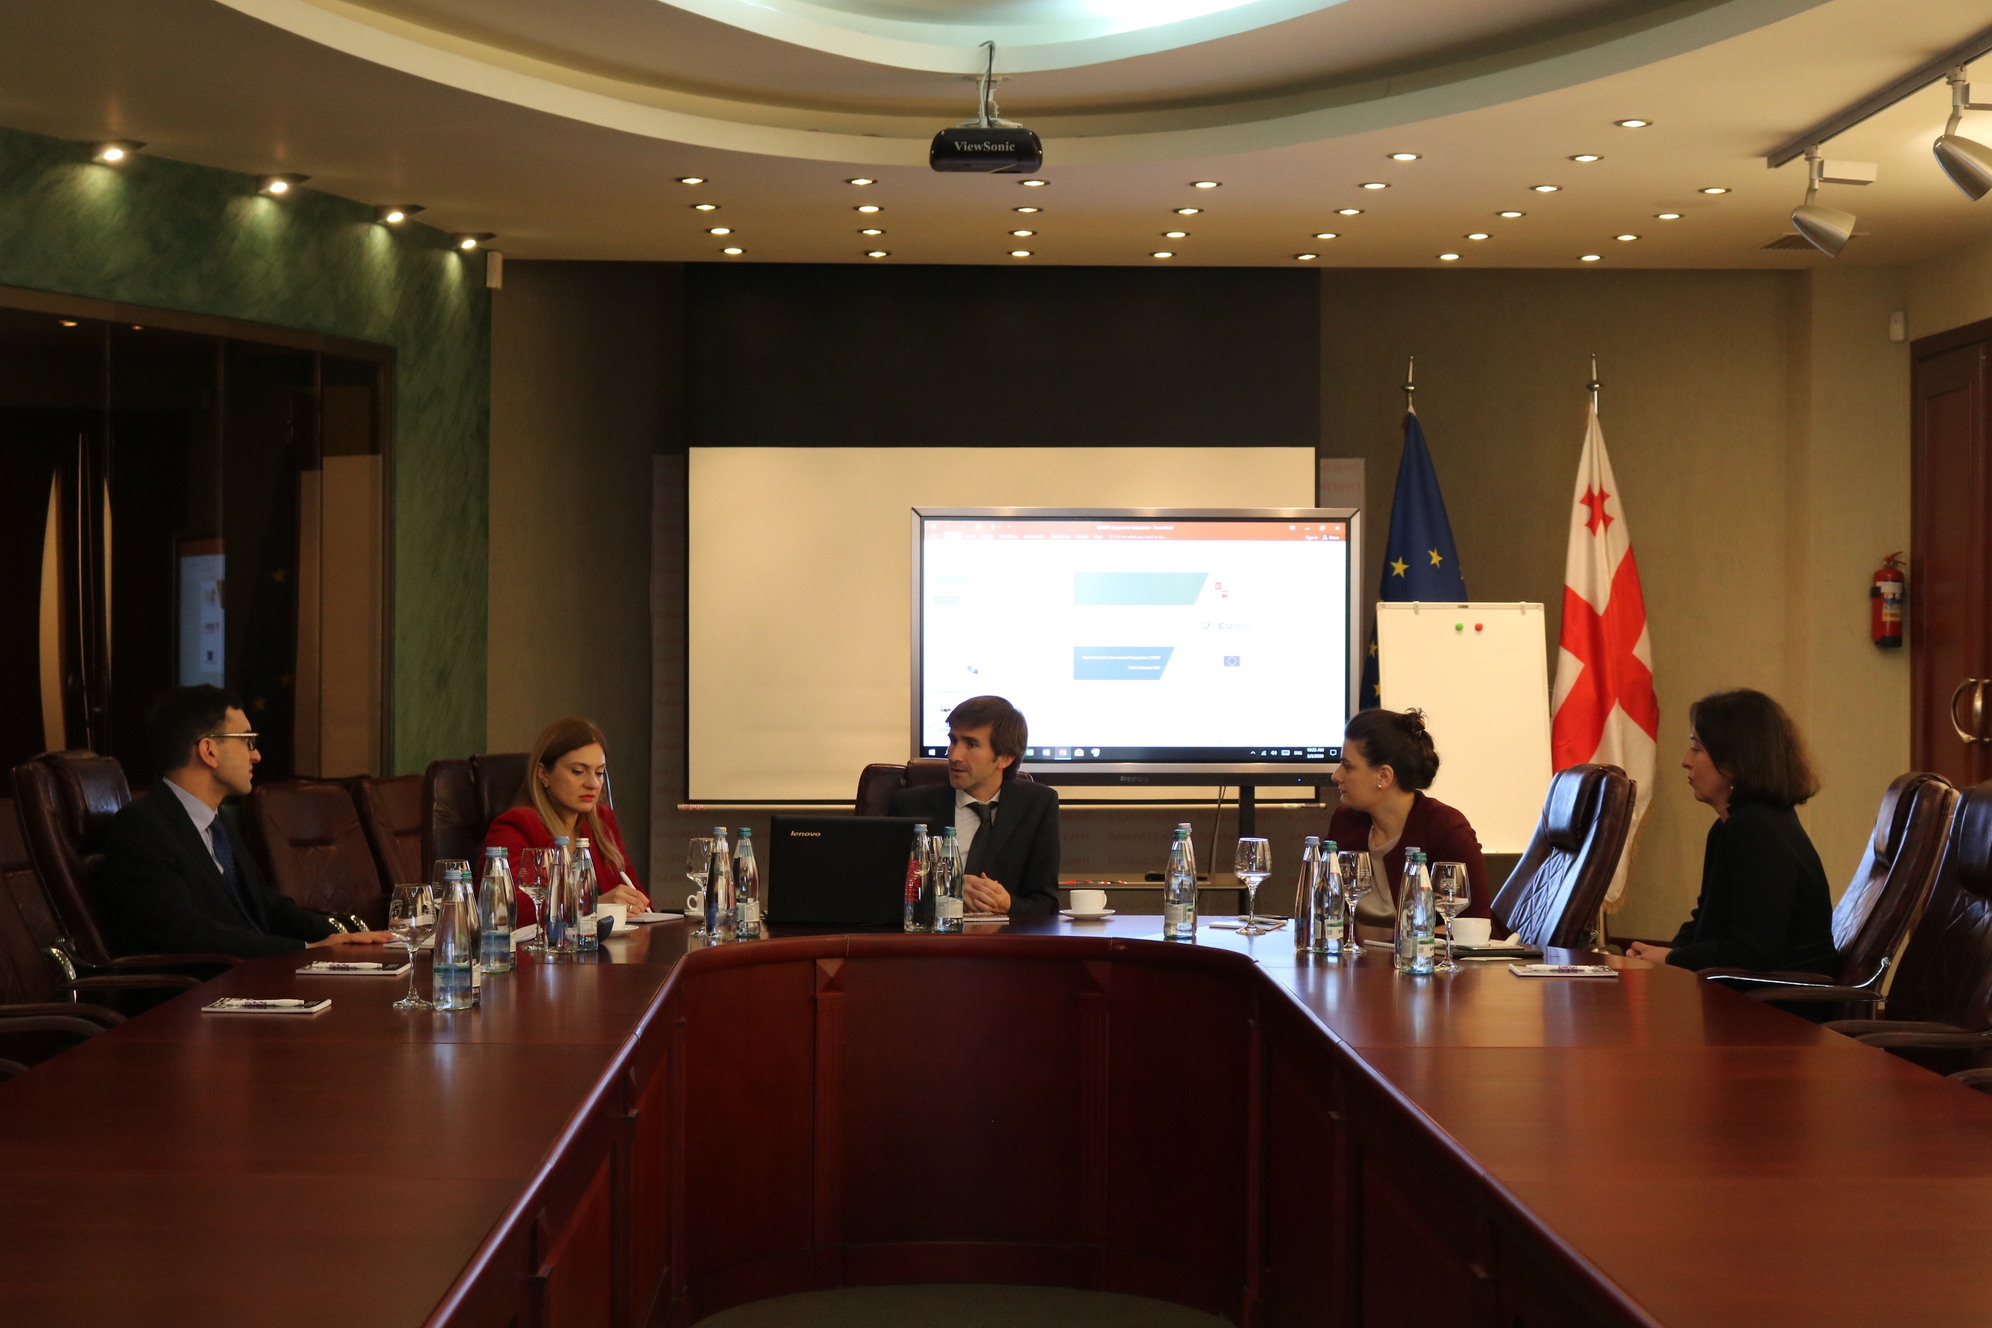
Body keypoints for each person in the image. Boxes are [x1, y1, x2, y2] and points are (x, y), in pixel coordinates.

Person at [97, 685, 393, 958]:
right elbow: (184, 933)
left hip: (255, 975)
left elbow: (264, 903)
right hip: (207, 989)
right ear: (209, 750)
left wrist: (339, 938)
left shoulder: (217, 822)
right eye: (247, 741)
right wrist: (302, 950)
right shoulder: (142, 827)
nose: (257, 755)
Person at [1626, 690, 1837, 974]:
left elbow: (1753, 953)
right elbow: (1707, 919)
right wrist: (1663, 957)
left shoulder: (1755, 828)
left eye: (1697, 749)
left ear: (1735, 762)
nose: (1685, 760)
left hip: (1779, 995)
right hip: (1746, 987)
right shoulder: (1735, 824)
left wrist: (1671, 959)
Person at [890, 695, 1061, 916]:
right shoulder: (910, 806)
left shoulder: (1038, 804)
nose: (954, 755)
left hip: (1003, 936)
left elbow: (1046, 904)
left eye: (971, 744)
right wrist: (949, 887)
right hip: (934, 934)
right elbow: (885, 891)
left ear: (1005, 758)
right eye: (953, 740)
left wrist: (1008, 904)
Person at [1327, 707, 1488, 931]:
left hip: (1432, 954)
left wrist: (1399, 947)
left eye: (1347, 766)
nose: (1336, 775)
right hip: (1362, 954)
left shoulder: (1446, 828)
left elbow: (1473, 925)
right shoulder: (1345, 822)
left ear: (1383, 776)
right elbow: (1324, 908)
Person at [484, 717, 651, 926]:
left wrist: (635, 903)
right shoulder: (516, 825)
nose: (593, 783)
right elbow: (503, 907)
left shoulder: (603, 821)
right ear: (543, 774)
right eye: (578, 771)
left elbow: (636, 895)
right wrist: (590, 905)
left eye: (599, 773)